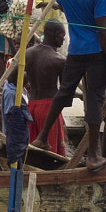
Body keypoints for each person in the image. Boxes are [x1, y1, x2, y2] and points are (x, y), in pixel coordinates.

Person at [49, 0, 106, 167]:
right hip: (95, 52)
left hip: (75, 49)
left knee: (63, 91)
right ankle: (93, 156)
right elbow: (104, 31)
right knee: (95, 100)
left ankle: (41, 138)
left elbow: (67, 6)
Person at [22, 21, 68, 156]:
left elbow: (12, 79)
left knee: (31, 153)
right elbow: (64, 93)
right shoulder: (59, 60)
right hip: (49, 109)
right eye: (62, 36)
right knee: (51, 154)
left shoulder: (28, 53)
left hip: (31, 106)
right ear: (55, 35)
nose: (64, 39)